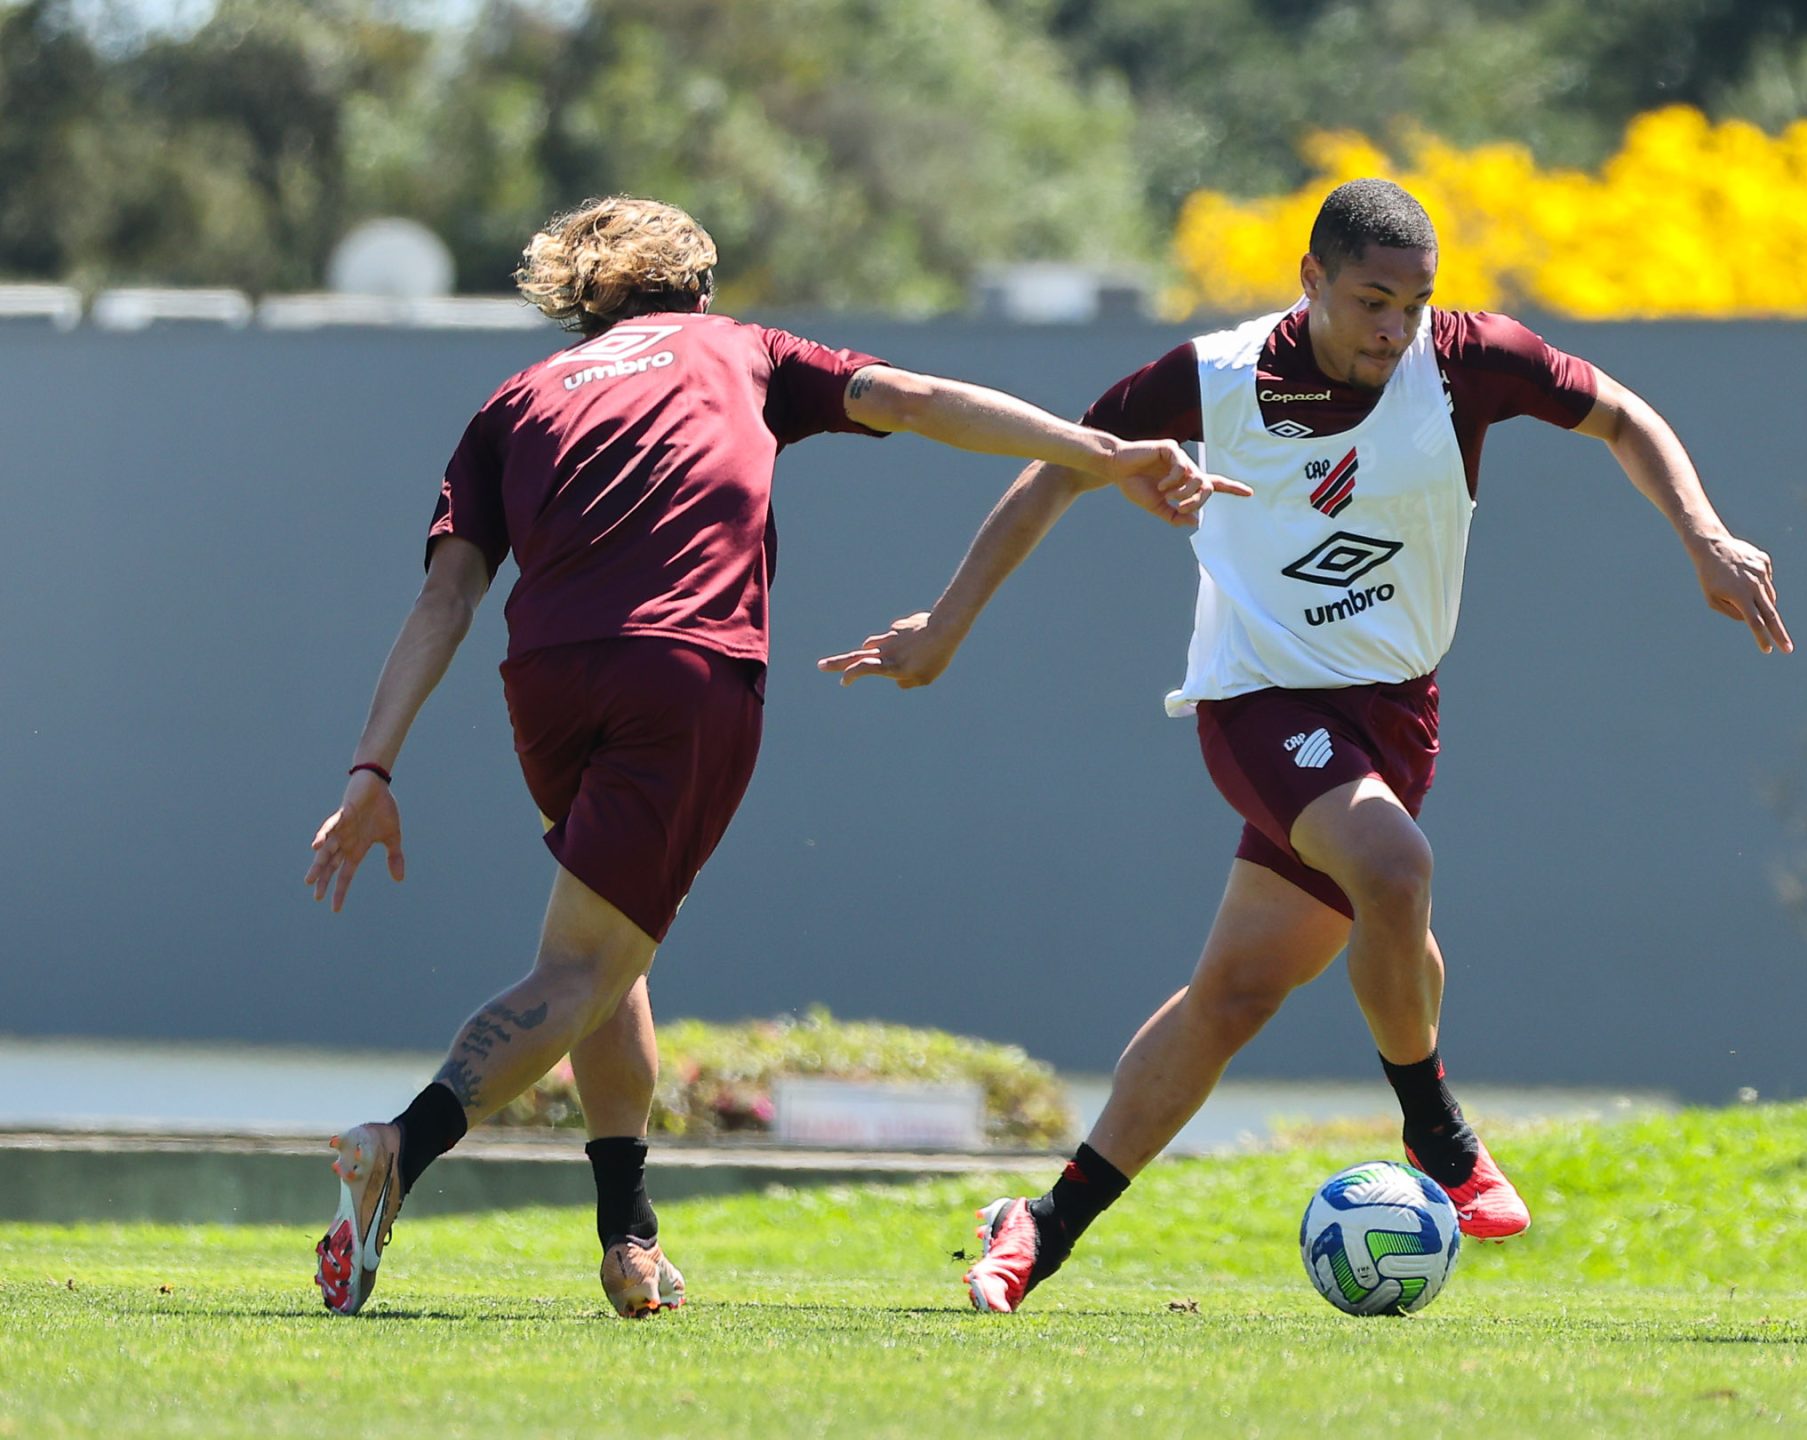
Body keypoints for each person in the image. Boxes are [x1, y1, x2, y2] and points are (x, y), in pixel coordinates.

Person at [824, 178, 1793, 1313]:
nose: (1396, 327)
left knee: (1237, 995)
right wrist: (943, 628)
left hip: (1397, 712)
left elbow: (1625, 415)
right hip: (1259, 699)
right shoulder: (1213, 378)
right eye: (1373, 300)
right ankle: (1436, 1126)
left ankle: (1040, 1224)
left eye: (1415, 302)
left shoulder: (1469, 358)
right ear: (1311, 281)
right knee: (1395, 870)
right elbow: (1057, 471)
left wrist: (1703, 533)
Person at [302, 194, 1229, 1318]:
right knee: (584, 970)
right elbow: (923, 400)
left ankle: (627, 1237)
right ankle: (403, 1144)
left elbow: (446, 596)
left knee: (604, 955)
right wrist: (1096, 451)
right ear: (697, 285)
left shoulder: (517, 397)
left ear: (581, 300)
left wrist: (371, 770)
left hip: (546, 682)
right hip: (684, 670)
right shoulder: (743, 348)